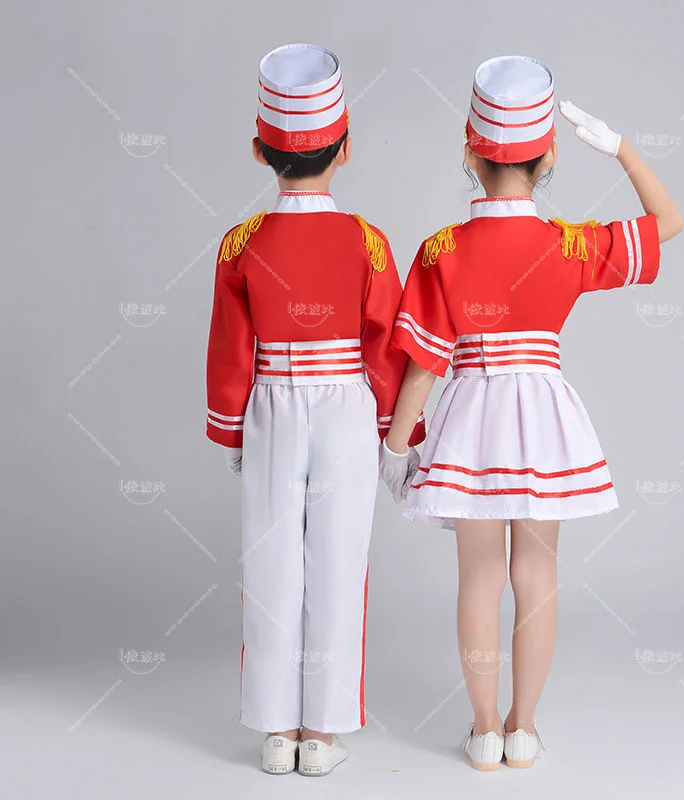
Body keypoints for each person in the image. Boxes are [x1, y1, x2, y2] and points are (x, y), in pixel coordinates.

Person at [379, 55, 683, 771]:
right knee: (536, 577)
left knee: (478, 578)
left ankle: (483, 729)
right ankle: (523, 727)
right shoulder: (568, 244)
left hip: (473, 416)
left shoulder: (442, 250)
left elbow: (423, 364)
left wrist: (396, 449)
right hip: (544, 418)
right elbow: (667, 221)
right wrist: (621, 148)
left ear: (468, 151)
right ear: (548, 155)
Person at [206, 42, 424, 777]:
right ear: (348, 147)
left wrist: (234, 429)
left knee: (269, 561)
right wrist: (399, 434)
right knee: (338, 560)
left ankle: (276, 728)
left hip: (270, 401)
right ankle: (323, 732)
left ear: (259, 151)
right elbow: (387, 348)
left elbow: (231, 350)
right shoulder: (368, 242)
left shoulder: (240, 245)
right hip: (345, 409)